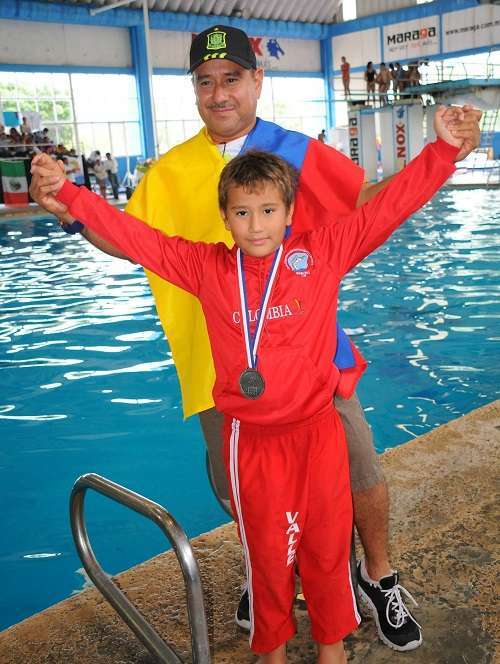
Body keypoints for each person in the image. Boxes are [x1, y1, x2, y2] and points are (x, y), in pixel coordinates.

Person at [29, 24, 481, 653]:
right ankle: (271, 576)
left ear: (256, 80)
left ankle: (374, 579)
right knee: (252, 514)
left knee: (356, 480)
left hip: (315, 382)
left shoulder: (301, 171)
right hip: (227, 386)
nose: (220, 92)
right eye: (206, 81)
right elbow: (136, 240)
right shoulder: (176, 189)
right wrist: (72, 204)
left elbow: (377, 208)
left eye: (232, 78)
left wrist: (442, 155)